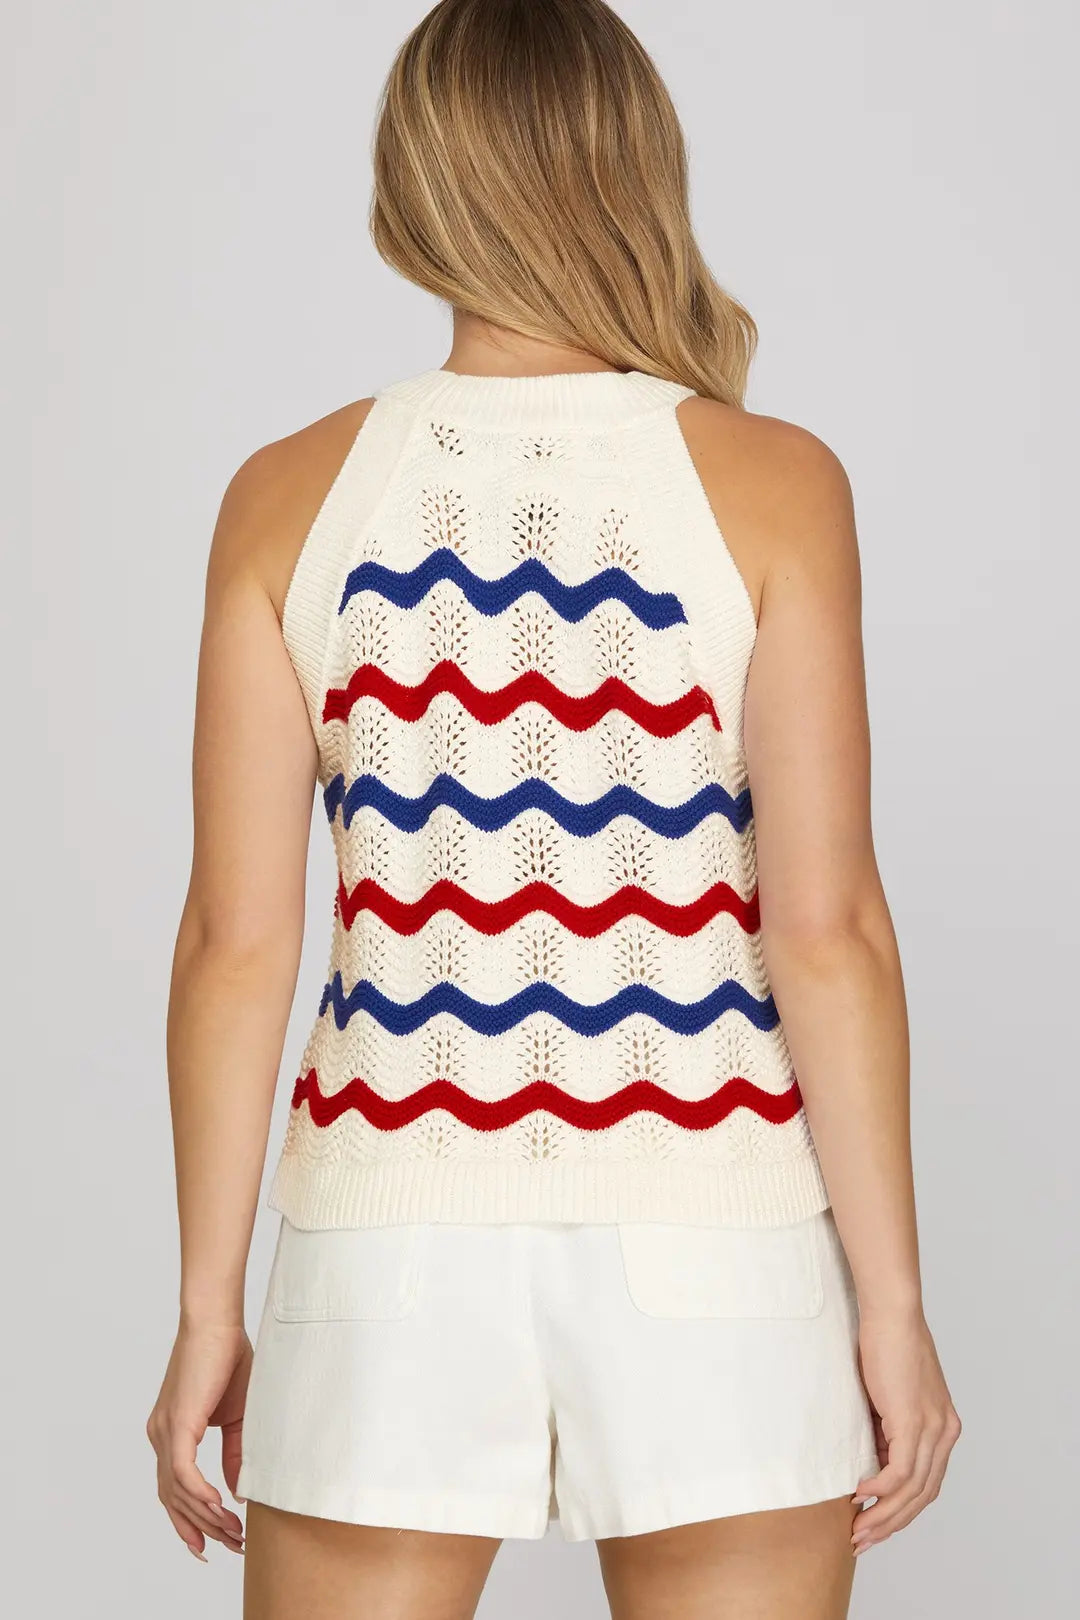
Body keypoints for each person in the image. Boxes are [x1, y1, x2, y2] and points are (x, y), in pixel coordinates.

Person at [146, 2, 961, 1615]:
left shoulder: (287, 495)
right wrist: (892, 1302)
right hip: (716, 1245)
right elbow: (830, 931)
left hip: (385, 1250)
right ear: (635, 168)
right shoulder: (774, 483)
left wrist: (205, 1309)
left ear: (410, 186)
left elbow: (237, 946)